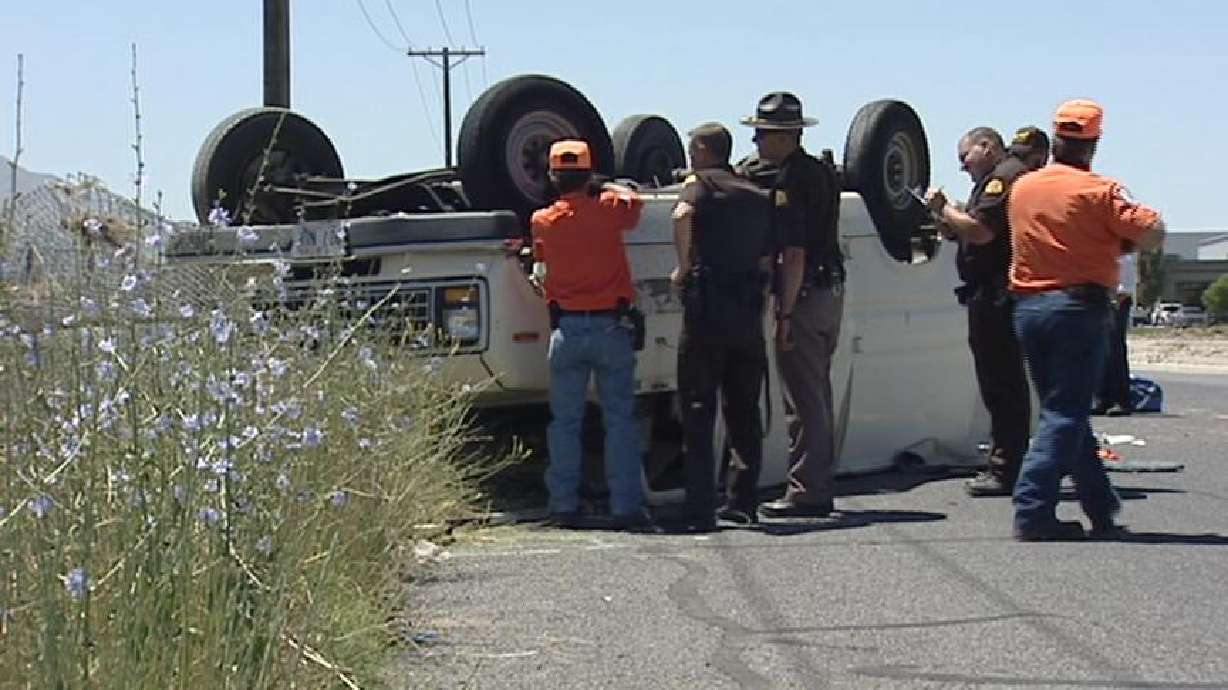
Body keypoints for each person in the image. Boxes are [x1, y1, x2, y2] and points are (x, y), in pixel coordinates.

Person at [1006, 99, 1165, 540]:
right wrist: (1123, 243)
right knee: (1065, 413)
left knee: (1066, 413)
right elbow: (1150, 231)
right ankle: (1033, 509)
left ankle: (1100, 505)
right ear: (1093, 143)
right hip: (1078, 308)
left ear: (1055, 138)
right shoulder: (1100, 190)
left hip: (1029, 309)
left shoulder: (1023, 188)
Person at [736, 92, 845, 519]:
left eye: (763, 134)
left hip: (804, 292)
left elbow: (794, 252)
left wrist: (783, 312)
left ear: (785, 137)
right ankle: (814, 482)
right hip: (827, 290)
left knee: (803, 399)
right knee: (816, 391)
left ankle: (808, 491)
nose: (758, 142)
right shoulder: (816, 173)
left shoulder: (791, 182)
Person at [530, 139, 646, 529]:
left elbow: (541, 267)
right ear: (589, 175)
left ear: (552, 177)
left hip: (566, 329)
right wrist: (608, 186)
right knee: (619, 420)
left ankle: (563, 504)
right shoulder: (611, 210)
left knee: (564, 423)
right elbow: (635, 202)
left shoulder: (542, 221)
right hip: (610, 327)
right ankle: (625, 506)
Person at [670, 123, 774, 531]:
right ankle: (742, 500)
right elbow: (768, 256)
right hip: (747, 307)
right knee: (744, 408)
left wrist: (682, 267)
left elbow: (682, 214)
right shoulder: (755, 194)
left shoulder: (702, 185)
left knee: (699, 407)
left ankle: (699, 509)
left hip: (707, 307)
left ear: (701, 148)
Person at [925, 126, 1035, 497]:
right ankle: (1009, 460)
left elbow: (982, 232)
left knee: (1001, 382)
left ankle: (1006, 466)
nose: (962, 167)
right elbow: (969, 231)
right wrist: (947, 221)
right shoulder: (996, 180)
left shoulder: (1000, 181)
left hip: (997, 294)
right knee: (1002, 382)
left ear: (986, 147)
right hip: (991, 293)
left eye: (965, 157)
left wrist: (946, 209)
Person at [1095, 252, 1138, 416]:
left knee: (1115, 352)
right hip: (1103, 302)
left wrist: (1113, 304)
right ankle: (1102, 399)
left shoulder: (1123, 258)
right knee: (1101, 353)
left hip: (1117, 304)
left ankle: (1122, 400)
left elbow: (1124, 290)